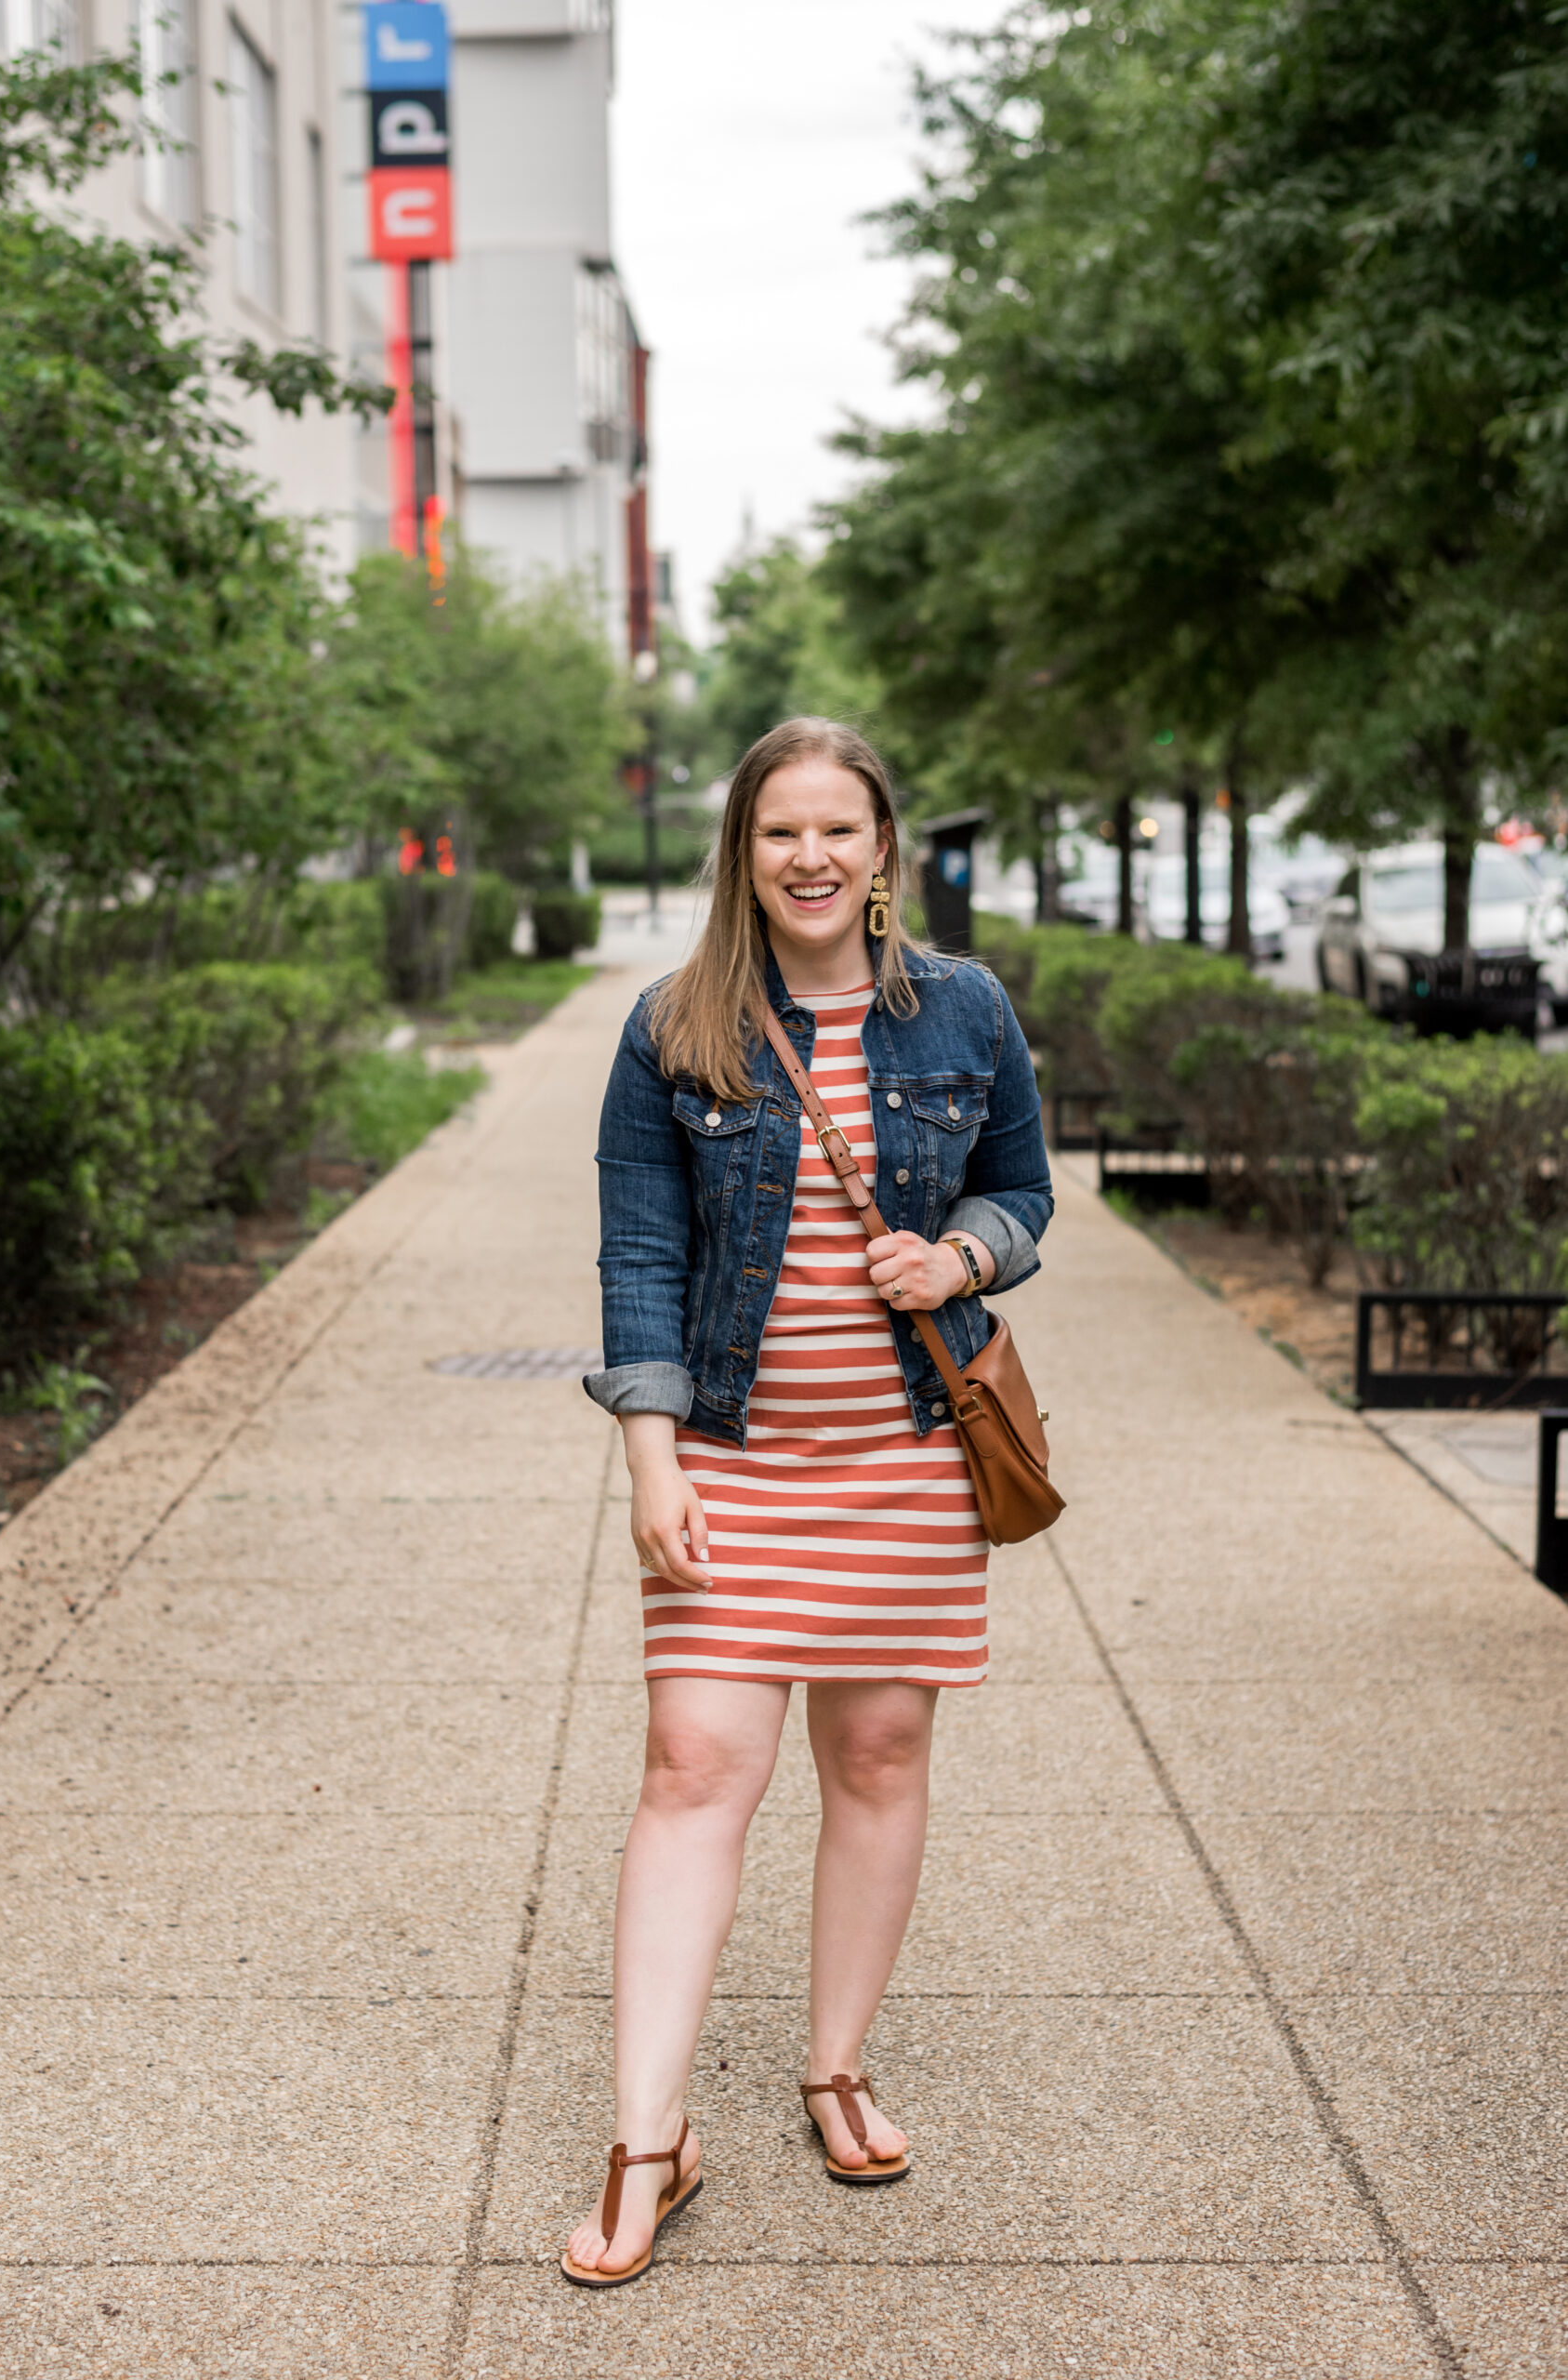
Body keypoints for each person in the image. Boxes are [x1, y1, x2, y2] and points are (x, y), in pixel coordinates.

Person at [562, 717, 1053, 2287]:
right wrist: (651, 1456)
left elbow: (1021, 1188)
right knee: (694, 1768)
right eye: (781, 831)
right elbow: (639, 1256)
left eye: (839, 828)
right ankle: (650, 2141)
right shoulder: (673, 1028)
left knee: (880, 1748)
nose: (812, 858)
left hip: (906, 1458)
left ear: (884, 847)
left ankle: (834, 2065)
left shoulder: (964, 1009)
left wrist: (960, 1255)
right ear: (743, 850)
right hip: (731, 1458)